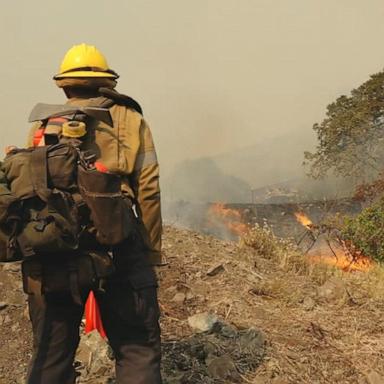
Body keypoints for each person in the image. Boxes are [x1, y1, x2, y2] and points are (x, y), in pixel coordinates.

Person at [21, 43, 163, 384]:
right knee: (136, 348)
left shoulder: (41, 125)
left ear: (64, 85)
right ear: (107, 83)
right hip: (117, 245)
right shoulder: (130, 119)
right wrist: (151, 251)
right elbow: (148, 189)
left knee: (50, 356)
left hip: (54, 248)